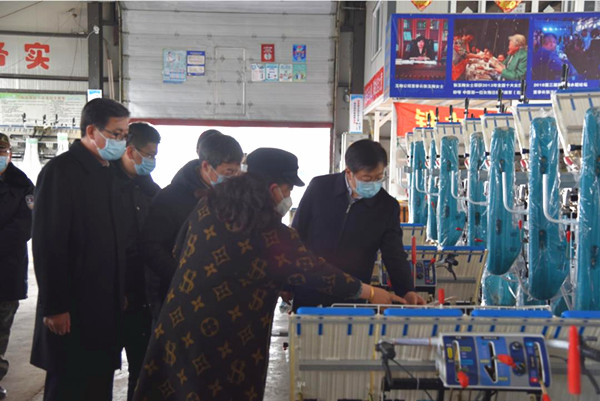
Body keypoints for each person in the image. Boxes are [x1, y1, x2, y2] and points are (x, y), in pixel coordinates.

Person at [132, 148, 404, 401]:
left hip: (177, 327)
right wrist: (370, 292)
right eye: (288, 189)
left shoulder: (208, 206)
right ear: (274, 189)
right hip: (229, 340)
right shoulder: (271, 234)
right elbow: (317, 272)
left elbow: (178, 250)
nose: (288, 197)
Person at [31, 98, 130, 401]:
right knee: (69, 384)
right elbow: (48, 242)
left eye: (125, 135)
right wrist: (55, 305)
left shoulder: (109, 172)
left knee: (98, 383)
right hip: (72, 307)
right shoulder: (61, 172)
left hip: (104, 304)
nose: (121, 142)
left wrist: (120, 290)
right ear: (91, 131)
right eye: (116, 134)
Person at [291, 139, 425, 310]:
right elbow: (296, 234)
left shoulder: (386, 206)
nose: (374, 184)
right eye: (367, 178)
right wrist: (287, 283)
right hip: (309, 287)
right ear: (349, 172)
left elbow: (394, 254)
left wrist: (407, 290)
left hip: (355, 293)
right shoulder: (320, 188)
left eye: (379, 177)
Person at [142, 132, 243, 321]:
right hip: (176, 294)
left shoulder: (229, 198)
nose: (234, 178)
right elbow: (151, 246)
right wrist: (183, 276)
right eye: (229, 172)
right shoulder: (171, 198)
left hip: (217, 294)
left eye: (238, 172)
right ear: (206, 166)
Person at [111, 122, 161, 401]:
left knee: (142, 371)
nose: (152, 161)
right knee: (99, 369)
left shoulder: (151, 191)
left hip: (142, 297)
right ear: (130, 151)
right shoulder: (104, 188)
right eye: (149, 154)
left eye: (155, 155)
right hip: (111, 297)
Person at [0, 133, 34, 400]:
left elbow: (25, 227)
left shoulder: (22, 185)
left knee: (1, 330)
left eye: (3, 150)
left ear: (10, 153)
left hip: (6, 271)